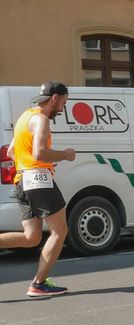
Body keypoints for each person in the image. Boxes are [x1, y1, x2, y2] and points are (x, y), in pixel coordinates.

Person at [0, 81, 76, 297]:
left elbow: (13, 151)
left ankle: (39, 283)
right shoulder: (42, 120)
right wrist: (64, 155)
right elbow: (39, 153)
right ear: (54, 98)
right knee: (60, 231)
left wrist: (30, 168)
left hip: (23, 180)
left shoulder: (25, 116)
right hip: (39, 181)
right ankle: (38, 283)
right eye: (63, 102)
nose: (63, 107)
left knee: (31, 237)